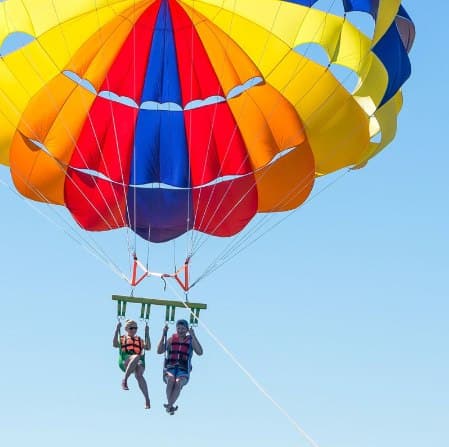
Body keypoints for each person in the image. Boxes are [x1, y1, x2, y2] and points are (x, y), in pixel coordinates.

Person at [157, 319, 203, 414]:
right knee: (171, 379)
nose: (180, 331)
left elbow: (199, 352)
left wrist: (193, 335)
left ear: (187, 330)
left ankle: (169, 405)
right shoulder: (171, 339)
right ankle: (170, 406)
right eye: (178, 328)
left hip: (183, 370)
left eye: (183, 329)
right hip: (170, 368)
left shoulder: (190, 340)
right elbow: (159, 351)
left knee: (178, 382)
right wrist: (163, 334)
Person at [113, 319, 151, 409]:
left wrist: (147, 333)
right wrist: (116, 330)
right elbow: (115, 344)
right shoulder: (122, 338)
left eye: (135, 328)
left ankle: (147, 399)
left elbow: (148, 347)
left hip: (138, 361)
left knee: (139, 375)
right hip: (125, 361)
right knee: (136, 357)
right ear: (126, 329)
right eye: (131, 328)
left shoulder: (140, 340)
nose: (134, 330)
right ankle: (125, 380)